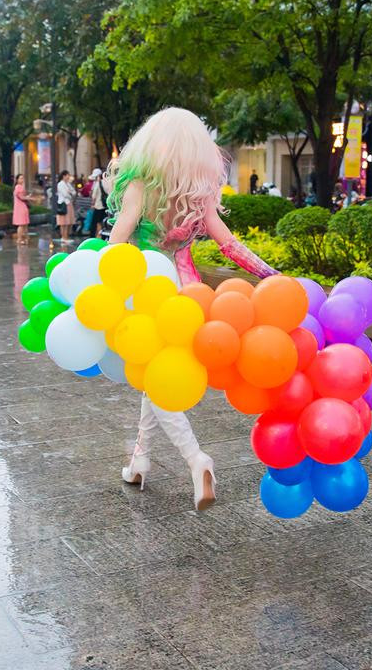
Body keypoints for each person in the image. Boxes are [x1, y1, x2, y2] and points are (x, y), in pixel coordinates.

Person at [107, 107, 280, 511]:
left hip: (149, 294)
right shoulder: (197, 196)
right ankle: (139, 461)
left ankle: (196, 459)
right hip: (190, 297)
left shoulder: (138, 186)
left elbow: (116, 244)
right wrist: (269, 273)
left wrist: (102, 279)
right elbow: (230, 245)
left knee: (158, 378)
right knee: (156, 378)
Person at [54, 170, 76, 244]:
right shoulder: (60, 184)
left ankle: (66, 236)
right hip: (63, 204)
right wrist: (70, 194)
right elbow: (65, 194)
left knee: (69, 221)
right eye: (67, 175)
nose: (68, 177)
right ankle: (64, 237)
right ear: (64, 176)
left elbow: (73, 192)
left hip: (69, 203)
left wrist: (70, 193)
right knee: (63, 222)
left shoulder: (68, 184)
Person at [88, 168, 109, 239]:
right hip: (105, 206)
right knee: (102, 221)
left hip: (98, 206)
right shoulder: (107, 182)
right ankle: (102, 236)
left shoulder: (98, 183)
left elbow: (94, 196)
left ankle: (96, 236)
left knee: (96, 222)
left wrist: (92, 204)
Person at [12, 173, 31, 246]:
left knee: (24, 224)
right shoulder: (18, 187)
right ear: (17, 180)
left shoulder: (20, 187)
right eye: (20, 178)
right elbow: (21, 197)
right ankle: (20, 239)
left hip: (22, 206)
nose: (22, 180)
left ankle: (24, 238)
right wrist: (29, 198)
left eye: (23, 178)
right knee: (22, 224)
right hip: (20, 207)